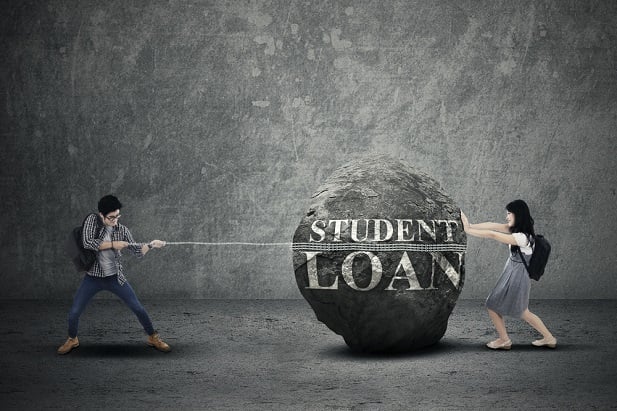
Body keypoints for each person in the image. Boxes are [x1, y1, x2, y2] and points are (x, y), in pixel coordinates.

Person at [57, 195, 171, 354]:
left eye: (118, 216)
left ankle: (153, 337)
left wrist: (151, 245)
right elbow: (87, 242)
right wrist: (113, 244)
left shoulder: (122, 230)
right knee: (74, 312)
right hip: (93, 278)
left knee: (138, 308)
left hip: (115, 278)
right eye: (111, 217)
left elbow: (137, 252)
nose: (115, 220)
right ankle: (72, 339)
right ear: (101, 215)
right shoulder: (92, 220)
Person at [461, 200, 557, 350]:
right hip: (513, 272)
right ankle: (546, 338)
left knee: (510, 308)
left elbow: (492, 234)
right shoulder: (515, 231)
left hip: (517, 275)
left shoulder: (522, 237)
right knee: (513, 309)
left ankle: (506, 340)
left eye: (509, 213)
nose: (507, 217)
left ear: (517, 214)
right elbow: (493, 225)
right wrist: (470, 225)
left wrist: (467, 230)